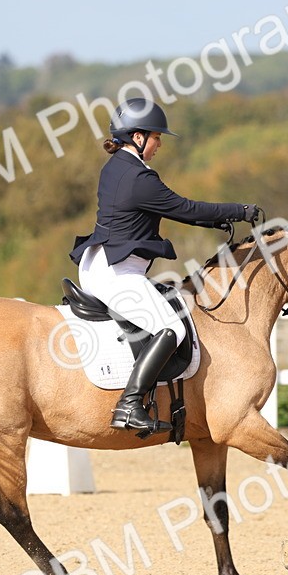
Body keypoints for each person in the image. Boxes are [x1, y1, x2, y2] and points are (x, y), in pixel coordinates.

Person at [70, 98, 260, 435]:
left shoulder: (117, 167)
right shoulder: (138, 177)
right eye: (157, 137)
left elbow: (174, 211)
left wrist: (216, 223)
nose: (159, 145)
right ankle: (130, 404)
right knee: (172, 329)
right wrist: (237, 210)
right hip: (116, 272)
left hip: (103, 264)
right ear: (139, 137)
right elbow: (184, 208)